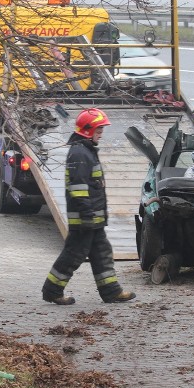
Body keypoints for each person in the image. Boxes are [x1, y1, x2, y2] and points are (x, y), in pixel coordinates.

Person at [42, 108, 136, 305]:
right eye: (98, 131)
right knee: (73, 255)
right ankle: (52, 290)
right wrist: (87, 214)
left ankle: (111, 291)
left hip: (92, 218)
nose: (101, 134)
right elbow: (78, 188)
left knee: (102, 252)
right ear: (87, 131)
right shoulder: (80, 153)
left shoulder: (85, 150)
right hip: (85, 218)